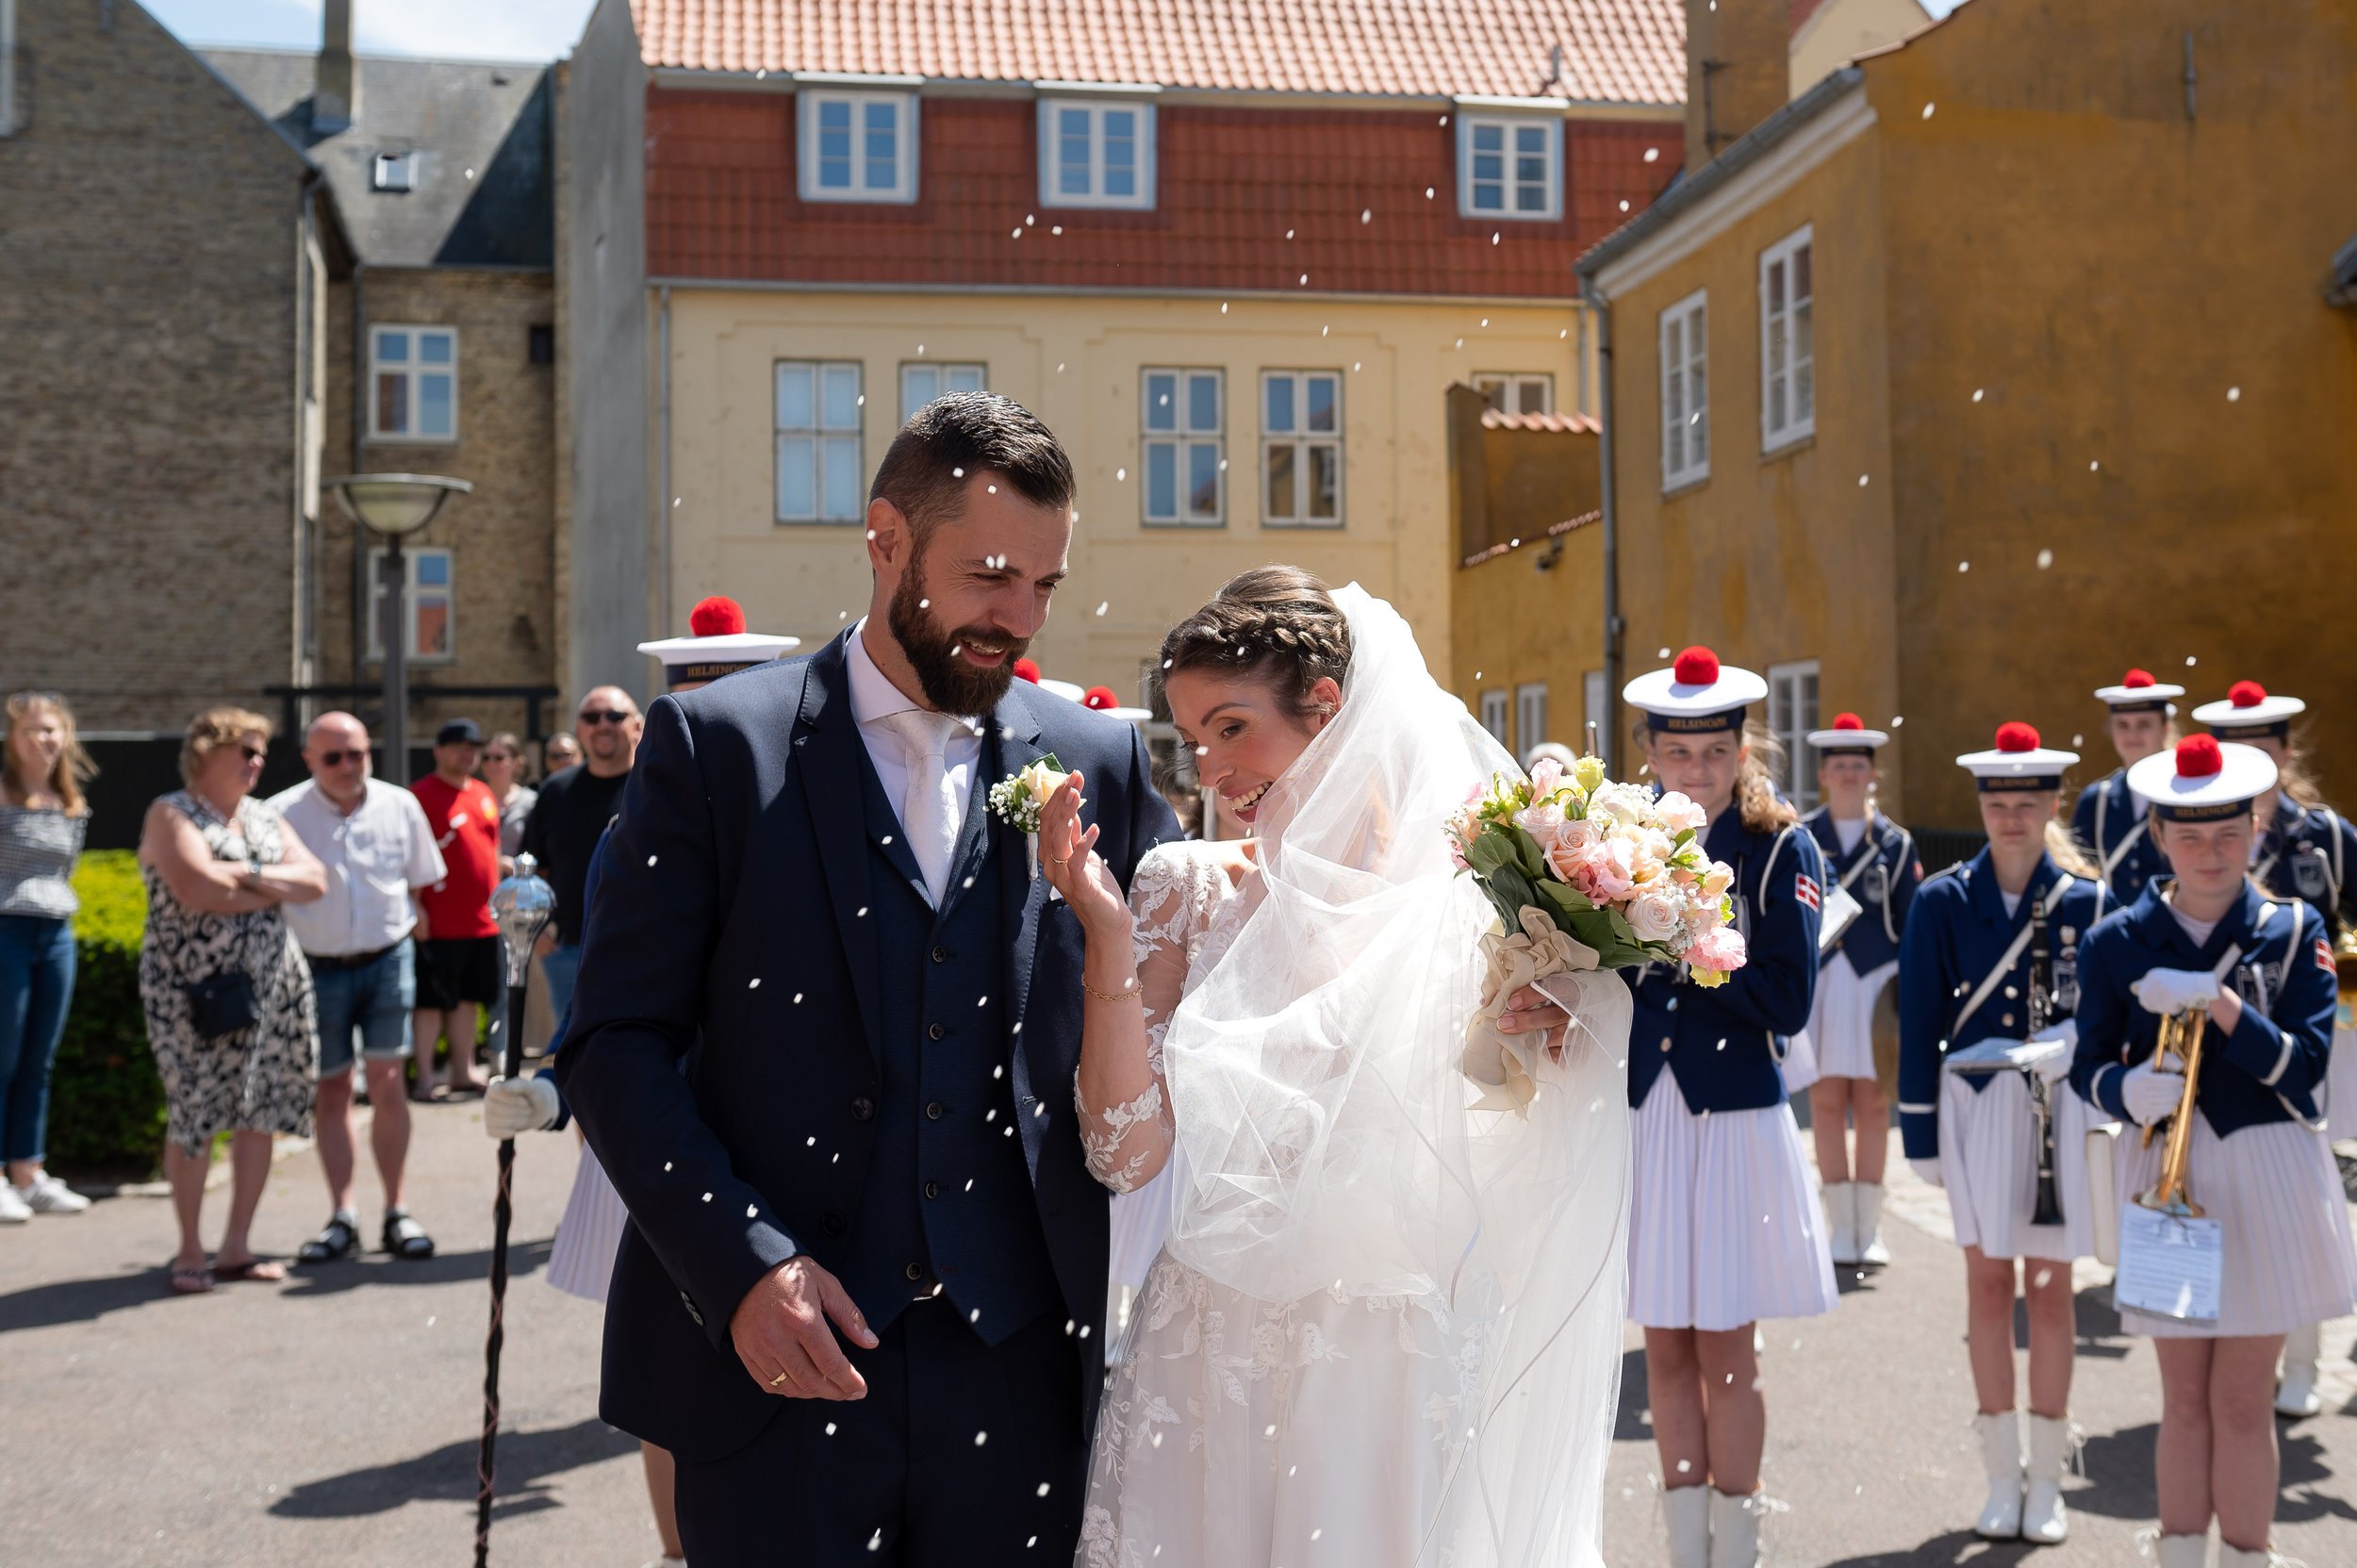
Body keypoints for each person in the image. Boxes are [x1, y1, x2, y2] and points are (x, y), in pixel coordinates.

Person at [553, 392, 1180, 1565]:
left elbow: (1191, 993)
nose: (1019, 618)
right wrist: (744, 1264)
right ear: (886, 539)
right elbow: (612, 1043)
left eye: (1043, 585)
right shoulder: (715, 749)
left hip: (1022, 1362)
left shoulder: (1095, 758)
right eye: (991, 575)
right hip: (776, 1364)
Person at [1052, 569, 1624, 1567]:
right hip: (1206, 1355)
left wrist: (1565, 1042)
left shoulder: (1478, 913)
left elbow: (1526, 1145)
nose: (1209, 770)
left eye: (1232, 728)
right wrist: (1106, 939)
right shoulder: (1182, 890)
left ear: (1328, 708)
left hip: (1389, 1365)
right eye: (1192, 740)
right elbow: (1123, 1152)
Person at [488, 592, 797, 1568]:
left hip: (809, 1127)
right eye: (690, 712)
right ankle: (679, 1553)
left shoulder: (816, 817)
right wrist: (550, 1088)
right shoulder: (638, 828)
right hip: (673, 1128)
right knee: (675, 1364)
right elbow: (618, 1005)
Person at [2070, 734, 2357, 1568]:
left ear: (2257, 832)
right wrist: (2123, 1091)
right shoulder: (2116, 940)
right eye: (2189, 836)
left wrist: (2224, 1006)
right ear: (2159, 837)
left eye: (2229, 835)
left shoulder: (2292, 929)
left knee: (2241, 1401)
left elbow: (2306, 1073)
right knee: (2183, 1401)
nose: (2210, 853)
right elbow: (2089, 1062)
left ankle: (2244, 1556)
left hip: (2265, 1171)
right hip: (2171, 1182)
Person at [1612, 649, 1833, 1568]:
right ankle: (1683, 1548)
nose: (1694, 771)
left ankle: (1735, 1547)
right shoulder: (1616, 842)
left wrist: (1695, 943)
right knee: (1663, 1345)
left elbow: (1786, 1000)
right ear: (1651, 753)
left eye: (1712, 751)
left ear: (1743, 749)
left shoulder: (1782, 846)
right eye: (1676, 752)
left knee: (1726, 1350)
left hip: (1734, 1114)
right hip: (1649, 1111)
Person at [1896, 721, 2112, 1544]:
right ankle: (1999, 1474)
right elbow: (1919, 1019)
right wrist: (1919, 1133)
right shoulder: (1942, 899)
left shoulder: (2087, 902)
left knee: (2053, 1293)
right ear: (1981, 805)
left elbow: (2109, 1013)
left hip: (2056, 1107)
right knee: (1988, 1289)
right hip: (1977, 1108)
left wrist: (2078, 1043)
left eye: (2029, 803)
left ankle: (2048, 1478)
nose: (2013, 817)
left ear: (2053, 804)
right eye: (1999, 802)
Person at [2192, 678, 2357, 1419]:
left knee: (2302, 1199)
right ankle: (2233, 1343)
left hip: (2299, 1037)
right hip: (2210, 1041)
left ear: (2286, 753)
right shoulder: (2199, 822)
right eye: (2237, 748)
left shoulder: (2323, 833)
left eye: (2263, 746)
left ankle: (2303, 1360)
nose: (2250, 759)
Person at [136, 708, 326, 1293]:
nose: (256, 761)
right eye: (244, 749)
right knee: (194, 1112)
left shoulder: (264, 816)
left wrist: (239, 875)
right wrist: (270, 887)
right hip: (192, 991)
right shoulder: (172, 811)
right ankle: (191, 1249)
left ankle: (236, 1247)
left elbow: (316, 881)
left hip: (271, 988)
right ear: (205, 753)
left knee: (260, 1110)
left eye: (261, 750)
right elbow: (194, 888)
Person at [271, 712, 447, 1264]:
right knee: (332, 1088)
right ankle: (342, 1214)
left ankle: (397, 1209)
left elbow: (422, 883)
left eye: (358, 754)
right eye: (333, 757)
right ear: (308, 760)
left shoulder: (400, 804)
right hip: (315, 965)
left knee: (390, 1080)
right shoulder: (280, 814)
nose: (348, 767)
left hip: (387, 957)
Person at [1800, 713, 1921, 1268]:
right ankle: (1838, 1230)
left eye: (1858, 766)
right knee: (1826, 1101)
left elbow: (1909, 922)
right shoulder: (1803, 836)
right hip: (1823, 981)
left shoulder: (1895, 844)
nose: (1849, 775)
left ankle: (1867, 1230)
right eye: (1839, 765)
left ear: (1873, 774)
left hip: (1874, 984)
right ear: (1824, 773)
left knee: (1872, 1105)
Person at [1, 692, 96, 1221]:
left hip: (55, 932)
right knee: (2, 1059)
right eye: (33, 731)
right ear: (12, 741)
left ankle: (28, 1173)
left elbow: (63, 876)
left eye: (53, 730)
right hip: (4, 931)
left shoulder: (70, 801)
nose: (45, 739)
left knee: (39, 1061)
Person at [521, 687, 640, 1022]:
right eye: (591, 717)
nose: (602, 724)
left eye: (615, 716)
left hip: (644, 945)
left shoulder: (657, 786)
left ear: (638, 726)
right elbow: (532, 866)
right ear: (578, 729)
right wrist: (539, 930)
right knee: (574, 1051)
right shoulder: (556, 790)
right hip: (569, 950)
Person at [412, 719, 504, 1098]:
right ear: (438, 751)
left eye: (472, 747)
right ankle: (425, 1078)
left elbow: (493, 851)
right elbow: (410, 857)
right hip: (437, 920)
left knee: (468, 999)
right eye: (457, 746)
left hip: (482, 920)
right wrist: (415, 907)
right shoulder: (420, 796)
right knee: (432, 1001)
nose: (466, 753)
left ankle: (462, 1072)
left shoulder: (483, 792)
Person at [2075, 668, 2184, 902]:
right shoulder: (2095, 800)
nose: (2132, 734)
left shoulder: (2185, 794)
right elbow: (2081, 874)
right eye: (2122, 725)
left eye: (2144, 724)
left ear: (2164, 729)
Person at [480, 731, 537, 873]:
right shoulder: (473, 798)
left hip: (518, 885)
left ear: (516, 763)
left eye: (499, 758)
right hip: (481, 882)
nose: (491, 763)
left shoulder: (531, 801)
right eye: (486, 758)